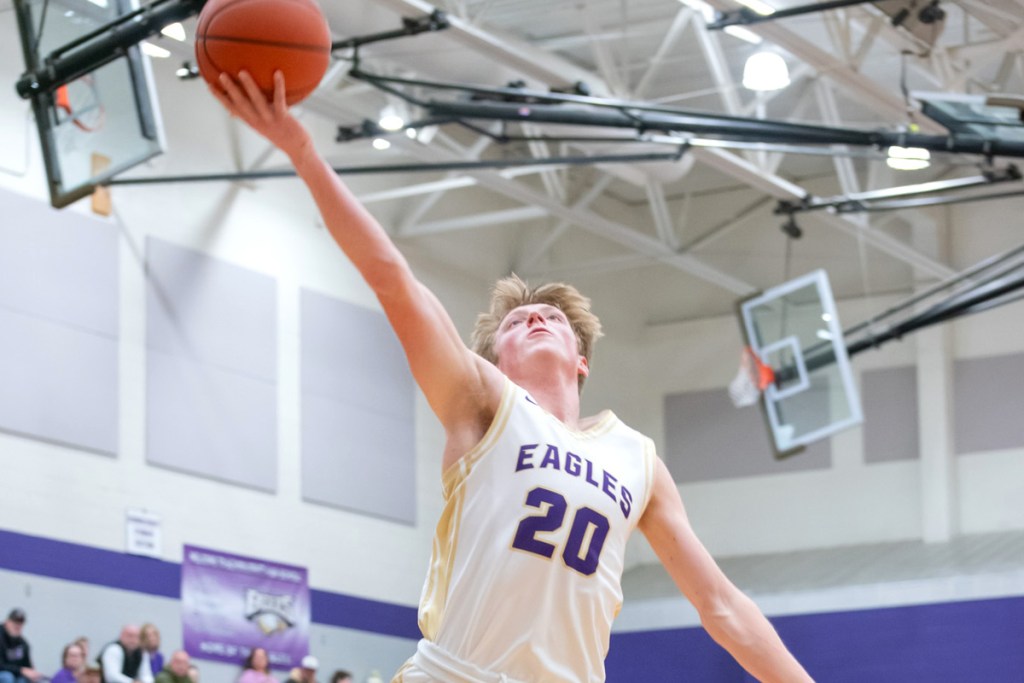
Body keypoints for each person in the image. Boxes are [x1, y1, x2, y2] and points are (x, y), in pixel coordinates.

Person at [211, 72, 814, 683]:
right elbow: (392, 279)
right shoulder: (483, 402)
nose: (537, 319)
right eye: (518, 321)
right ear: (495, 359)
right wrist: (304, 152)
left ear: (581, 359)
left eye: (553, 318)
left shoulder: (638, 460)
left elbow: (721, 606)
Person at [0, 610, 41, 683]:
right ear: (7, 622)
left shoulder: (23, 644)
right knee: (7, 677)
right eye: (15, 622)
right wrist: (21, 670)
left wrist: (33, 674)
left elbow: (27, 666)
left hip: (14, 673)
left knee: (23, 679)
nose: (17, 626)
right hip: (5, 675)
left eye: (20, 623)